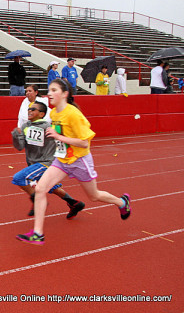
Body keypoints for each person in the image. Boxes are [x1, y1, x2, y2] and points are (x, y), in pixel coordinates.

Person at [16, 79, 131, 245]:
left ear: (64, 94)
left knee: (94, 196)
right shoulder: (54, 113)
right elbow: (57, 134)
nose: (49, 93)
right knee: (40, 189)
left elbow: (84, 142)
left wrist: (58, 136)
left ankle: (122, 202)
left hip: (79, 160)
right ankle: (38, 233)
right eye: (49, 90)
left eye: (53, 90)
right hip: (62, 160)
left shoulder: (74, 114)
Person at [12, 101, 85, 218]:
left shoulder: (48, 127)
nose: (29, 111)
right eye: (29, 109)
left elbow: (63, 138)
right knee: (52, 187)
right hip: (34, 163)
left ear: (41, 114)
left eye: (33, 109)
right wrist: (16, 135)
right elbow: (19, 147)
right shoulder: (26, 126)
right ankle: (74, 203)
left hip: (47, 163)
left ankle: (38, 200)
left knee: (19, 178)